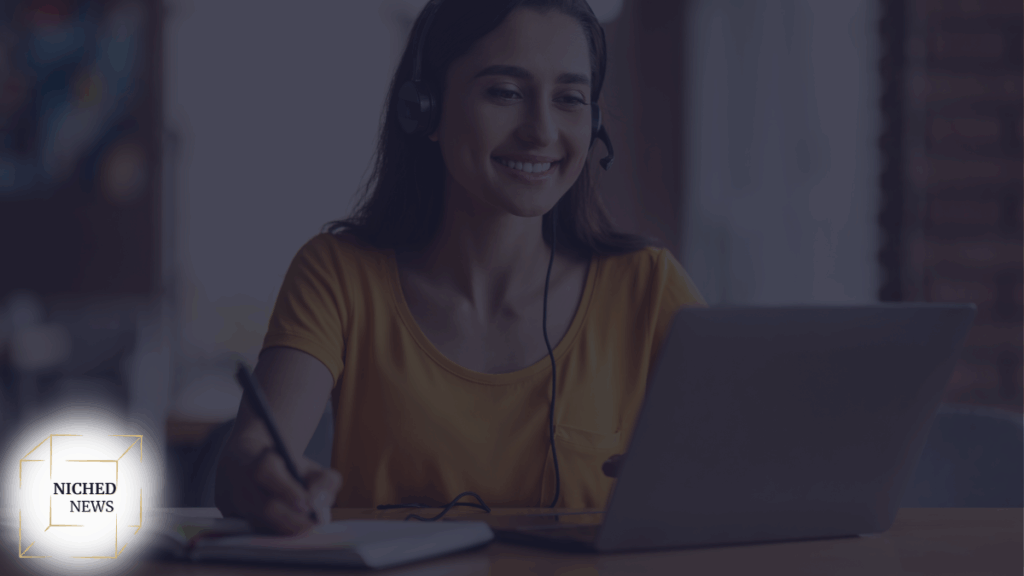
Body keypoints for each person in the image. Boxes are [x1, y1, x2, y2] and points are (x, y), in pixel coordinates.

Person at [214, 0, 706, 536]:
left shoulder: (648, 288)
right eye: (505, 92)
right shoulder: (339, 275)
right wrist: (266, 479)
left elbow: (746, 464)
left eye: (569, 99)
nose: (541, 131)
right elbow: (248, 461)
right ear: (423, 108)